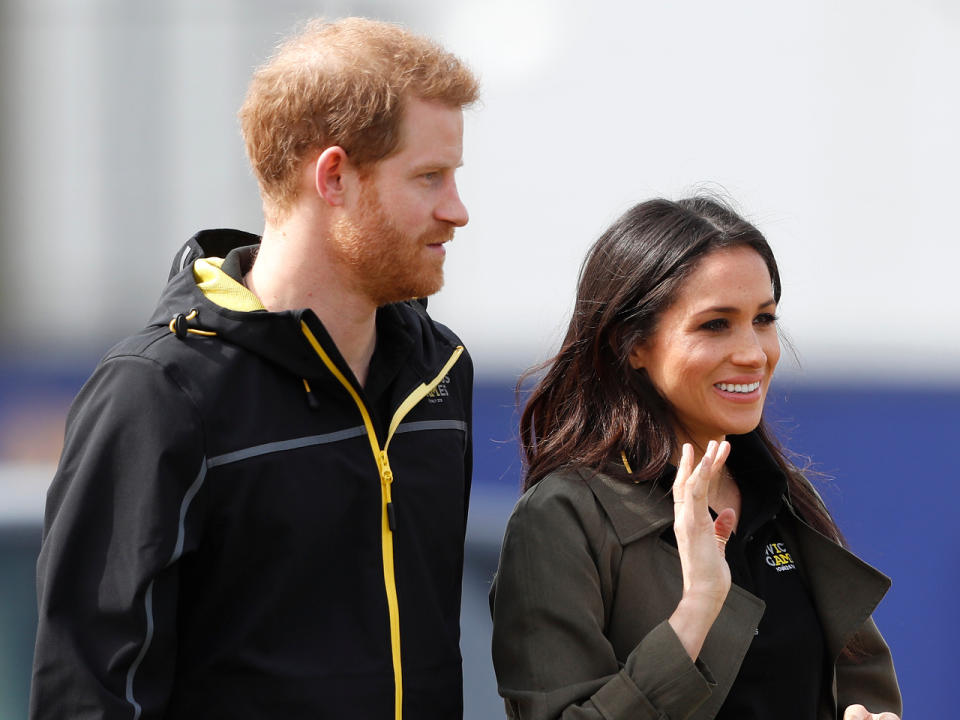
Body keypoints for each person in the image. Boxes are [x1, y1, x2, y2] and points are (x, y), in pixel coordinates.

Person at [30, 17, 478, 720]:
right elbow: (90, 697)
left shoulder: (440, 375)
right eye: (429, 177)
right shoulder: (158, 394)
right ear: (334, 177)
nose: (458, 210)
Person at [489, 197, 901, 720]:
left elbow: (857, 687)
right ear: (631, 344)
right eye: (715, 324)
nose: (753, 352)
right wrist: (699, 606)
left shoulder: (786, 497)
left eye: (764, 318)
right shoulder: (563, 518)